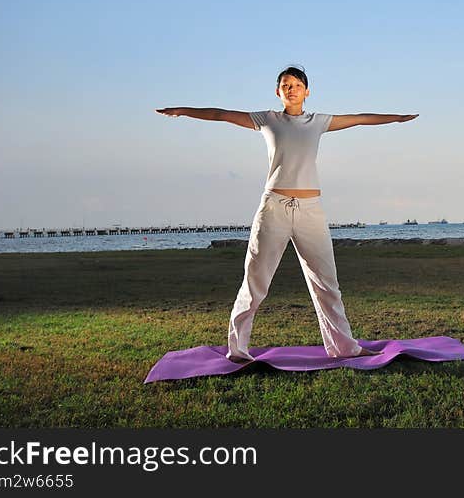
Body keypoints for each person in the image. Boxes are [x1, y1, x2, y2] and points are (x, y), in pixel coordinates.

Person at [156, 65, 418, 363]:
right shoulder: (267, 119)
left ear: (307, 91)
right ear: (278, 92)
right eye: (285, 84)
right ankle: (237, 349)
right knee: (255, 281)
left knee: (326, 283)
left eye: (296, 84)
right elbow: (222, 114)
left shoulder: (319, 122)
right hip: (274, 208)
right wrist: (182, 110)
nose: (291, 88)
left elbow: (360, 119)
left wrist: (396, 118)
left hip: (311, 211)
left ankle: (345, 347)